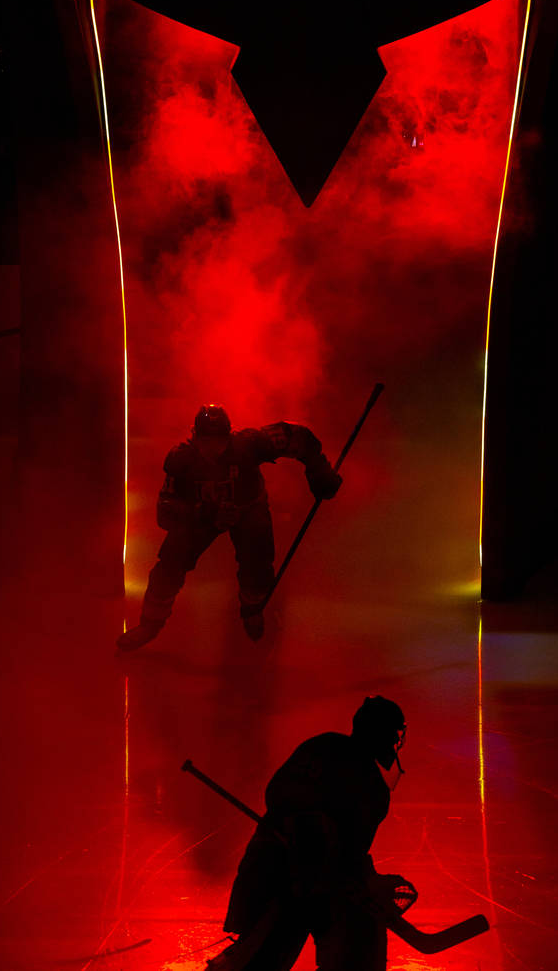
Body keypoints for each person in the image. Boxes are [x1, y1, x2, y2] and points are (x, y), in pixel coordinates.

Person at [117, 404, 342, 649]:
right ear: (194, 437)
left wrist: (319, 471)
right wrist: (204, 513)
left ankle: (253, 611)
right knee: (169, 565)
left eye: (219, 441)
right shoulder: (180, 460)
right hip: (202, 516)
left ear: (229, 436)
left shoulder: (250, 444)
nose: (213, 449)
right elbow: (165, 512)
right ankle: (150, 625)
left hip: (249, 507)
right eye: (206, 441)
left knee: (258, 561)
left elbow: (298, 436)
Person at [214, 696, 413, 971]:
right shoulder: (360, 776)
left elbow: (350, 848)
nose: (394, 740)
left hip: (302, 878)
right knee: (261, 957)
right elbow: (288, 801)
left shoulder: (326, 748)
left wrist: (366, 878)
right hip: (282, 878)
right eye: (391, 732)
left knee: (350, 947)